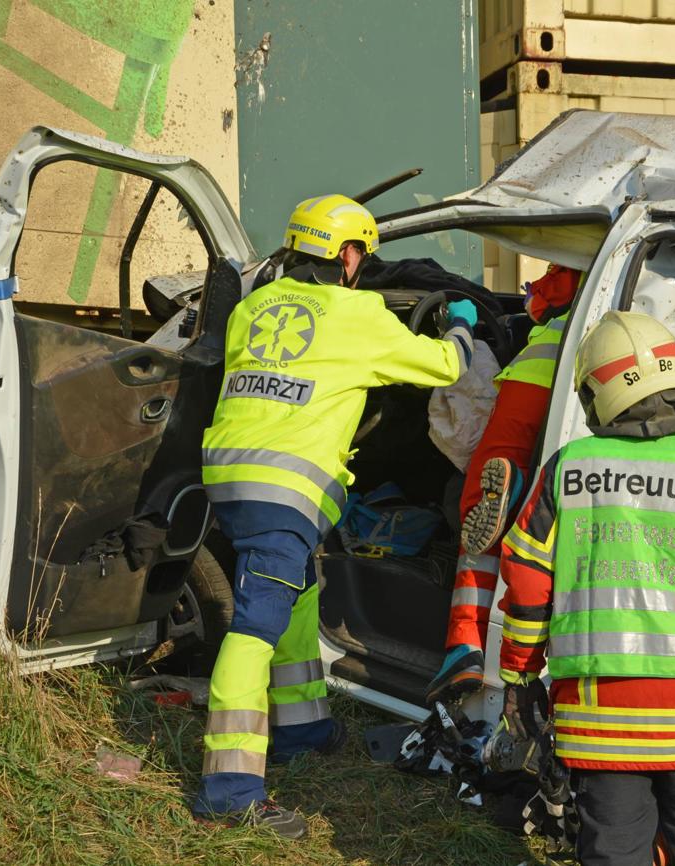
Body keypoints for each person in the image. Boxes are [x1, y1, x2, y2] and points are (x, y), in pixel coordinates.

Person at [194, 194, 478, 840]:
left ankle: (303, 729)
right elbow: (445, 368)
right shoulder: (359, 313)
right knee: (256, 624)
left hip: (230, 475)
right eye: (363, 254)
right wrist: (460, 321)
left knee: (296, 593)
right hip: (286, 484)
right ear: (350, 255)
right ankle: (230, 787)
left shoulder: (252, 308)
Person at [495, 311, 675, 866]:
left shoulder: (566, 473)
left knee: (615, 850)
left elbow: (528, 582)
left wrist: (520, 676)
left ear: (593, 395)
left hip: (601, 724)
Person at [426, 264, 581, 703]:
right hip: (590, 389)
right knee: (544, 508)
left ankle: (464, 644)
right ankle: (522, 491)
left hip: (537, 378)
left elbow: (542, 301)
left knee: (480, 493)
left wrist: (464, 322)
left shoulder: (582, 245)